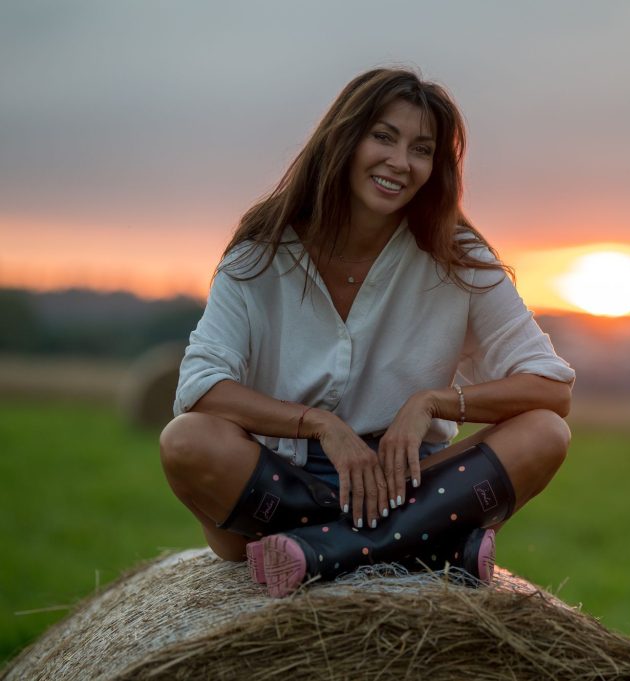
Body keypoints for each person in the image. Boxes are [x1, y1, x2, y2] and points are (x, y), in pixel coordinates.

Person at [159, 67, 575, 597]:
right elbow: (200, 387)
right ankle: (427, 543)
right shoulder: (259, 255)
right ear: (344, 139)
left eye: (421, 150)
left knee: (545, 432)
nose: (400, 162)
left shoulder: (458, 258)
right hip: (285, 477)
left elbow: (551, 390)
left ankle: (324, 550)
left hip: (415, 480)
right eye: (383, 137)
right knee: (187, 439)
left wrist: (431, 403)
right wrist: (320, 426)